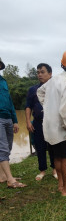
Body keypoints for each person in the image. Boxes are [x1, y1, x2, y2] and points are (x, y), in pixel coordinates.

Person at [37, 49, 66, 196]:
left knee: (56, 157)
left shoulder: (54, 80)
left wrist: (48, 108)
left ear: (62, 65)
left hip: (49, 126)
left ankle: (61, 185)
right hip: (61, 128)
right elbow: (65, 111)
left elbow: (40, 92)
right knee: (65, 159)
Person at [25, 63, 57, 181]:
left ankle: (54, 169)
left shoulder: (55, 88)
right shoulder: (33, 89)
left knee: (53, 145)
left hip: (53, 123)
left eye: (42, 72)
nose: (39, 74)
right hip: (38, 122)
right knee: (40, 146)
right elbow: (28, 106)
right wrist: (28, 122)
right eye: (38, 72)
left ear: (50, 74)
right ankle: (42, 170)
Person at [0, 58, 26, 188]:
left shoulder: (3, 82)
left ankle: (2, 175)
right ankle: (10, 180)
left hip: (8, 118)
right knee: (3, 147)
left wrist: (15, 120)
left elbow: (10, 102)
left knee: (8, 147)